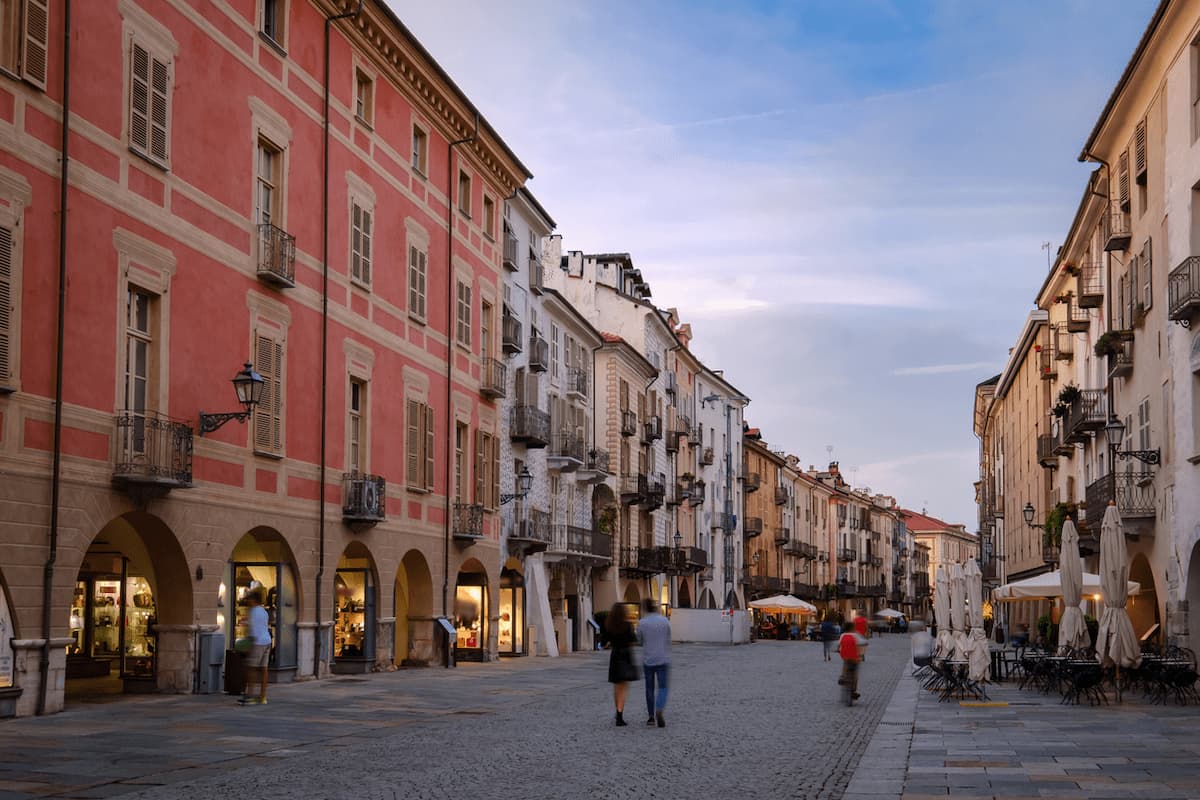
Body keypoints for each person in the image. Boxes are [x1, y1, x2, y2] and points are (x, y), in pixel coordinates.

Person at [638, 598, 671, 728]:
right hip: (663, 658)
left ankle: (651, 717)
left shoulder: (642, 622)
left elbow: (639, 641)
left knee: (649, 688)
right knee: (663, 687)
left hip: (648, 659)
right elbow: (668, 639)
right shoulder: (665, 621)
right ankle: (660, 708)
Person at [605, 603, 638, 726]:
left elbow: (606, 641)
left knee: (616, 686)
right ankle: (620, 715)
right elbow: (633, 641)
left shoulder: (609, 625)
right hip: (625, 655)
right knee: (624, 687)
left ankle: (618, 712)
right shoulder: (628, 625)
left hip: (615, 655)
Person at [240, 588, 272, 705]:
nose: (248, 602)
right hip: (267, 640)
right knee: (264, 670)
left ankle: (250, 695)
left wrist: (248, 646)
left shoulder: (252, 611)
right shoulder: (264, 611)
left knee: (251, 669)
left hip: (257, 641)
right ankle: (263, 697)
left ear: (254, 600)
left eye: (249, 599)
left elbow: (252, 628)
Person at [839, 626, 864, 700]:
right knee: (855, 673)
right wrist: (861, 655)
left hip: (844, 655)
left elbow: (839, 645)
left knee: (845, 663)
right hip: (854, 656)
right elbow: (861, 644)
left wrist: (838, 650)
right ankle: (854, 690)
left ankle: (843, 677)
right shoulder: (856, 635)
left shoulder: (842, 635)